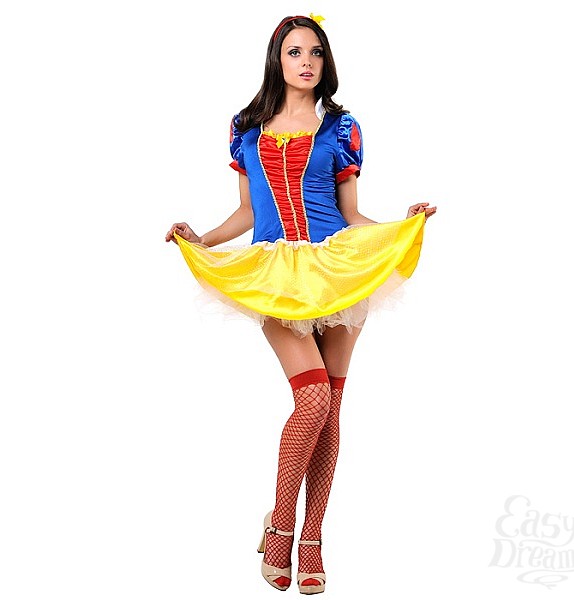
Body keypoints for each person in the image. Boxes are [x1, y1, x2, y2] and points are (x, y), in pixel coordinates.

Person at [165, 14, 436, 594]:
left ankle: (312, 537)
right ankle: (281, 524)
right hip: (278, 275)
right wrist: (200, 239)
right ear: (277, 59)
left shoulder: (342, 127)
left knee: (330, 407)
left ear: (325, 61)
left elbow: (351, 212)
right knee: (311, 399)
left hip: (338, 269)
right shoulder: (246, 127)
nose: (306, 62)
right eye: (294, 52)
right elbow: (248, 211)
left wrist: (401, 227)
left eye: (315, 52)